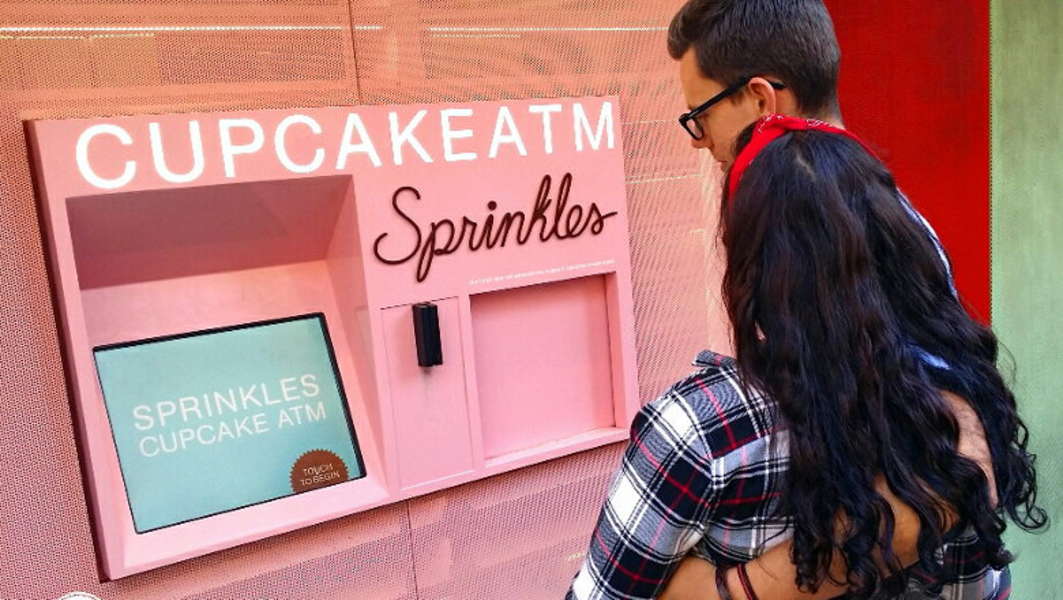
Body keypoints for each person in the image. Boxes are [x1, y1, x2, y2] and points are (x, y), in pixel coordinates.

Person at [563, 2, 1047, 598]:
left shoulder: (702, 436)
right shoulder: (920, 251)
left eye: (699, 115)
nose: (698, 141)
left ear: (762, 101)